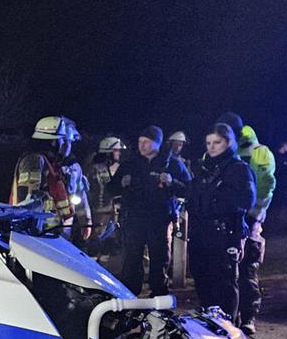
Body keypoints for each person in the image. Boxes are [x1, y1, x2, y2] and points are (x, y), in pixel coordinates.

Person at [108, 125, 191, 296]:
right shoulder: (130, 163)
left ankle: (159, 293)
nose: (142, 146)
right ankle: (129, 294)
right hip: (134, 218)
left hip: (159, 219)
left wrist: (172, 181)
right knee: (131, 257)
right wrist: (121, 183)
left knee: (159, 256)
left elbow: (189, 189)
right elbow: (111, 189)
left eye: (146, 142)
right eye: (140, 142)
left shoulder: (172, 163)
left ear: (157, 144)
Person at [187, 123, 256, 320]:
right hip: (201, 234)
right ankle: (209, 324)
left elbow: (246, 200)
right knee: (202, 280)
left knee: (224, 284)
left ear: (229, 142)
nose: (212, 147)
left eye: (217, 142)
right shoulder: (204, 169)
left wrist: (217, 202)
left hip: (224, 234)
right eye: (208, 143)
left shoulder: (238, 169)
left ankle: (227, 329)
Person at [11, 116, 91, 241]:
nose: (64, 145)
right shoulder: (34, 160)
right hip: (36, 230)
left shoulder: (53, 163)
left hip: (51, 228)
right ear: (52, 141)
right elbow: (28, 202)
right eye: (62, 140)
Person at [236, 125, 276, 333]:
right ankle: (238, 317)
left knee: (247, 269)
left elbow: (266, 184)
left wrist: (257, 210)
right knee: (236, 271)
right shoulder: (258, 152)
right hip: (238, 218)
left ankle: (247, 316)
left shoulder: (259, 153)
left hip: (249, 219)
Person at [86, 136, 125, 264]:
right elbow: (92, 191)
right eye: (116, 150)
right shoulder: (94, 169)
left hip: (109, 212)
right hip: (98, 213)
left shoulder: (110, 168)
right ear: (108, 152)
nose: (119, 153)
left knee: (108, 243)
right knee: (95, 242)